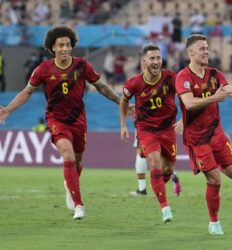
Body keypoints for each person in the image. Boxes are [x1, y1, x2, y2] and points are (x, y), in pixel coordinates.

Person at [0, 25, 133, 220]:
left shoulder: (82, 65)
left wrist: (121, 102)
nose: (64, 48)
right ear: (52, 48)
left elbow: (102, 86)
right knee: (68, 155)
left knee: (78, 161)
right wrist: (7, 109)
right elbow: (27, 91)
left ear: (72, 47)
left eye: (67, 45)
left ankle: (69, 185)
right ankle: (79, 205)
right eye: (60, 45)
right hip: (56, 119)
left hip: (78, 120)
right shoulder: (43, 69)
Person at [175, 34, 232, 235]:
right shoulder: (183, 77)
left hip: (217, 135)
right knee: (214, 180)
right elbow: (188, 103)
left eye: (207, 48)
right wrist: (214, 97)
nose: (206, 51)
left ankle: (212, 165)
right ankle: (214, 222)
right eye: (202, 48)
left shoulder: (215, 74)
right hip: (197, 140)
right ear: (190, 52)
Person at [120, 44, 182, 223]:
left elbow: (185, 98)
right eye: (152, 58)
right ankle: (165, 208)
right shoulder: (134, 83)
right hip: (146, 130)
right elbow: (124, 101)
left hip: (167, 129)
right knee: (154, 162)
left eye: (158, 58)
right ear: (144, 61)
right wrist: (123, 125)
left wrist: (184, 119)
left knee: (167, 169)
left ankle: (158, 182)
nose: (156, 61)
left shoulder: (170, 77)